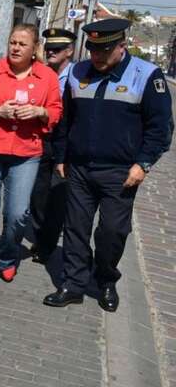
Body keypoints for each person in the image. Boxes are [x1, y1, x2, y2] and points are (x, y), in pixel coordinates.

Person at [44, 19, 173, 311]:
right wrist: (62, 156)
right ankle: (74, 284)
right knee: (75, 228)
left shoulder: (146, 75)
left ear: (121, 46)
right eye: (93, 50)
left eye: (104, 50)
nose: (97, 57)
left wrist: (143, 163)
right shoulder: (77, 72)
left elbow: (160, 127)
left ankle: (105, 280)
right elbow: (66, 119)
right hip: (79, 167)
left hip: (121, 172)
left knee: (112, 232)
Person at [0, 24, 63, 294]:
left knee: (18, 214)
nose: (15, 48)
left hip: (26, 153)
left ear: (34, 49)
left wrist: (39, 112)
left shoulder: (47, 77)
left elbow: (56, 111)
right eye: (12, 42)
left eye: (22, 44)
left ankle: (6, 257)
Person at [28, 28, 76, 264]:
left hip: (64, 145)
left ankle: (46, 245)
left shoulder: (78, 77)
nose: (50, 53)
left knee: (57, 198)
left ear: (69, 51)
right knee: (38, 195)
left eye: (56, 49)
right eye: (48, 48)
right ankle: (39, 235)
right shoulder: (43, 74)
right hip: (42, 140)